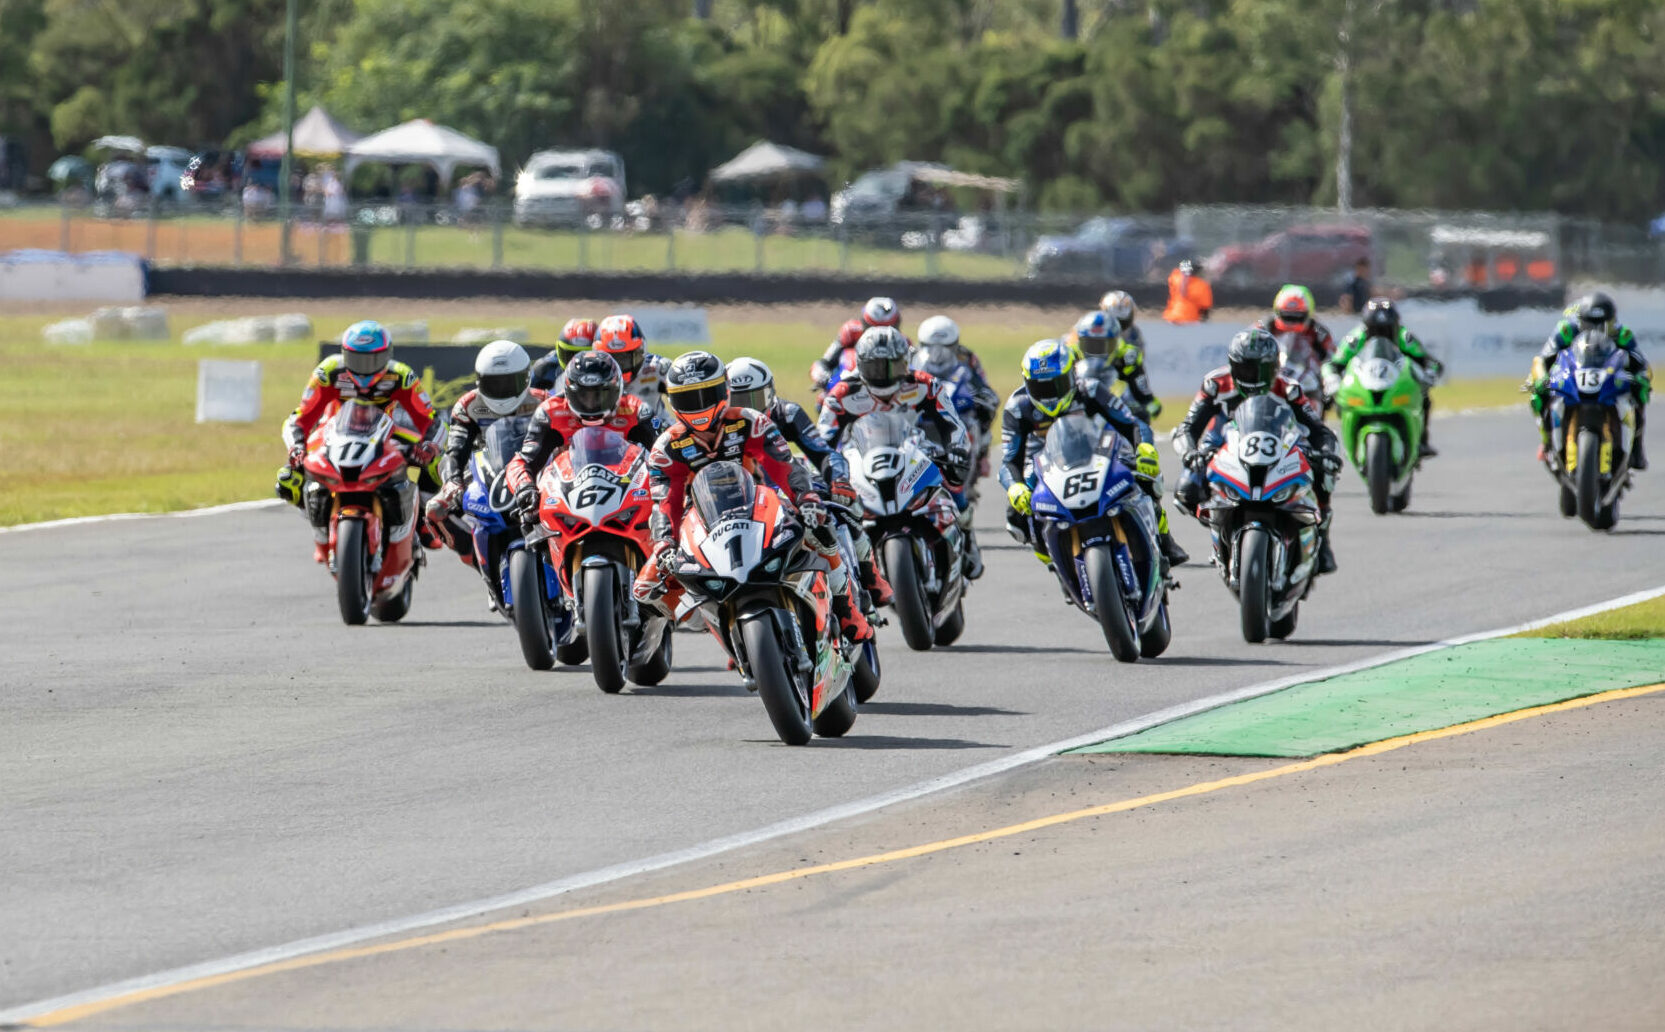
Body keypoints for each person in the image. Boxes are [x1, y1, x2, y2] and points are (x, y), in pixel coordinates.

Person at [632, 352, 871, 643]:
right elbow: (665, 502)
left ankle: (847, 610)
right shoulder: (666, 447)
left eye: (705, 395)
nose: (698, 406)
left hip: (759, 503)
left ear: (724, 390)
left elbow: (784, 467)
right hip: (701, 519)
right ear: (672, 400)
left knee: (819, 528)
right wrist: (664, 542)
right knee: (644, 588)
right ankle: (696, 630)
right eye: (687, 399)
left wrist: (807, 498)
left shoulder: (751, 421)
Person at [1000, 339, 1189, 572]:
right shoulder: (1017, 408)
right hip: (1044, 464)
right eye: (1040, 388)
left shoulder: (1090, 390)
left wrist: (1144, 448)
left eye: (1056, 385)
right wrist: (1014, 487)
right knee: (1017, 514)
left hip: (1098, 452)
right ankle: (1057, 562)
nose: (1049, 395)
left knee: (1144, 476)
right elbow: (1009, 460)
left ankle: (1163, 538)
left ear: (1071, 377)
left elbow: (1132, 424)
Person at [818, 326, 983, 579]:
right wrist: (826, 471)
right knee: (834, 509)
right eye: (875, 368)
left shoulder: (925, 384)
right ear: (861, 366)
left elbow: (951, 424)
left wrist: (956, 450)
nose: (883, 376)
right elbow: (821, 443)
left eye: (891, 367)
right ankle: (854, 573)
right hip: (864, 456)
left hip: (912, 447)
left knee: (952, 474)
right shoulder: (842, 394)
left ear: (905, 363)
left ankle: (965, 529)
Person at [1172, 329, 1342, 574]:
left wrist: (1326, 453)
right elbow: (1189, 426)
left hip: (1279, 441)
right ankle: (1221, 532)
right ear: (1232, 365)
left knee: (1321, 473)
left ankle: (1322, 539)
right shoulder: (1215, 384)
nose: (1253, 377)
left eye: (1261, 369)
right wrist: (1190, 453)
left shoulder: (1289, 388)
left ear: (1274, 367)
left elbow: (1318, 430)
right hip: (1222, 441)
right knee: (1187, 488)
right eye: (1246, 369)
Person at [727, 357, 893, 607]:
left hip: (794, 483)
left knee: (847, 508)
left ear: (770, 393)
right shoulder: (722, 428)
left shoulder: (787, 413)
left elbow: (824, 452)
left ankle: (870, 575)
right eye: (737, 401)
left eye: (754, 399)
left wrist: (838, 481)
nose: (748, 409)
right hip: (751, 497)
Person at [276, 321, 440, 564]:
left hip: (387, 434)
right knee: (288, 478)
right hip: (333, 434)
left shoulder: (402, 375)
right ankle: (320, 529)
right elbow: (299, 417)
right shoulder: (328, 371)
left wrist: (428, 445)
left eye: (372, 361)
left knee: (436, 461)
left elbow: (430, 420)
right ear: (344, 355)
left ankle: (423, 521)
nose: (364, 370)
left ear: (387, 356)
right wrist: (297, 447)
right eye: (356, 360)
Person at [424, 340, 548, 562]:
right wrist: (452, 481)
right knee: (435, 510)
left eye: (509, 382)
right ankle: (476, 557)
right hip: (486, 470)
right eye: (494, 384)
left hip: (536, 468)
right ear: (479, 381)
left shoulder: (544, 401)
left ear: (526, 378)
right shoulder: (468, 405)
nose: (501, 391)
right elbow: (455, 451)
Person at [503, 351, 660, 516]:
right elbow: (523, 460)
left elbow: (665, 448)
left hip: (626, 493)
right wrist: (524, 488)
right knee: (529, 522)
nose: (591, 404)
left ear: (616, 391)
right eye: (583, 396)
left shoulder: (636, 410)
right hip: (567, 495)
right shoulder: (550, 413)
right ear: (568, 392)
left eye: (600, 395)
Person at [1530, 291, 1650, 470]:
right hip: (1573, 377)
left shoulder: (1622, 334)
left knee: (1640, 395)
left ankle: (1636, 449)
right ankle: (1547, 443)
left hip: (1608, 381)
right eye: (1590, 324)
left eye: (1602, 324)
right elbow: (1542, 359)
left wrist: (1641, 379)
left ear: (1611, 321)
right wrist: (1541, 379)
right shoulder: (1566, 330)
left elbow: (1642, 364)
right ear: (1581, 320)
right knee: (1537, 395)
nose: (1596, 329)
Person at [1327, 298, 1444, 457]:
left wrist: (1429, 374)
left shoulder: (1404, 337)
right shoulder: (1356, 338)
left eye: (1387, 330)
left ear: (1395, 326)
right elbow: (1334, 364)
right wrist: (1331, 379)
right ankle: (1350, 440)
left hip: (1396, 382)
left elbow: (1429, 361)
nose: (1381, 335)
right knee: (1339, 398)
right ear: (1366, 327)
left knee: (1424, 397)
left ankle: (1421, 440)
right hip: (1364, 382)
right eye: (1375, 330)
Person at [915, 315, 1001, 469]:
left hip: (957, 409)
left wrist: (979, 395)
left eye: (944, 349)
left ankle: (980, 455)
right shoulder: (913, 357)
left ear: (954, 346)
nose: (937, 355)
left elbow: (982, 384)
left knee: (987, 407)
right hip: (924, 410)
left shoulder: (967, 358)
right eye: (931, 348)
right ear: (922, 345)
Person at [1066, 309, 1161, 421]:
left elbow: (1145, 397)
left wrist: (1141, 408)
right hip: (1079, 408)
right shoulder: (1069, 354)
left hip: (1117, 407)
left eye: (1103, 345)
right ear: (1080, 342)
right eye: (1091, 344)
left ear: (1115, 342)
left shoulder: (1127, 356)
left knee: (1142, 420)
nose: (1097, 350)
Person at [594, 314, 672, 427]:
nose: (619, 366)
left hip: (655, 434)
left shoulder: (659, 368)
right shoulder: (590, 378)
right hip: (608, 437)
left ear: (641, 352)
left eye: (625, 359)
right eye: (612, 359)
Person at [1253, 284, 1336, 366]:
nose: (1291, 323)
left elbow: (1333, 360)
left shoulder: (1319, 333)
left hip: (1306, 375)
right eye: (1287, 316)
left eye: (1297, 316)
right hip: (1273, 373)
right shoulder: (1263, 328)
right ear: (1278, 312)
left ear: (1307, 314)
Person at [529, 318, 598, 391]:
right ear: (559, 350)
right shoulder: (545, 370)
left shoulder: (608, 373)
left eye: (586, 357)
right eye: (571, 355)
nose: (577, 365)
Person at [810, 318, 869, 392]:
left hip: (868, 390)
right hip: (839, 387)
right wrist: (828, 380)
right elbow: (819, 365)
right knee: (822, 397)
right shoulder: (843, 340)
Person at [1163, 259, 1212, 324]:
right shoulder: (1202, 286)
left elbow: (1182, 268)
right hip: (1190, 320)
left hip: (1171, 318)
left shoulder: (1175, 278)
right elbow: (1205, 309)